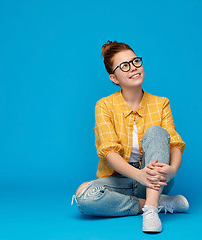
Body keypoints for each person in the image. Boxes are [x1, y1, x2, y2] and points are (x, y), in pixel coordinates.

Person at [71, 40, 189, 233]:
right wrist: (138, 175)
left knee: (157, 131)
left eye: (136, 62)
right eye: (124, 66)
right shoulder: (104, 105)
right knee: (84, 195)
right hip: (121, 180)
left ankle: (151, 209)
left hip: (155, 179)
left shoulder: (161, 103)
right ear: (114, 78)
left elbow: (175, 144)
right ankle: (160, 204)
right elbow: (109, 152)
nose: (133, 68)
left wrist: (173, 171)